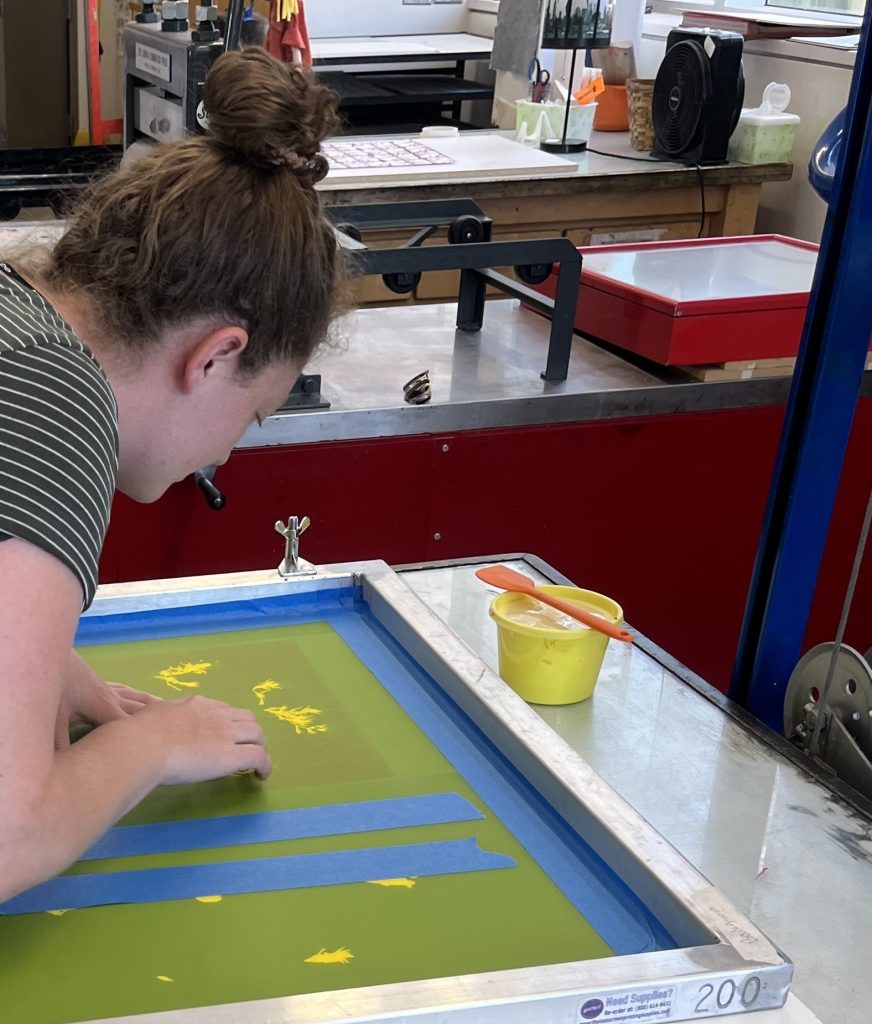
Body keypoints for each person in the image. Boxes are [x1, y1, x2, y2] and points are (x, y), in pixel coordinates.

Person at [0, 48, 344, 903]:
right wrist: (154, 746)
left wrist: (50, 672)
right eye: (252, 414)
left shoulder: (15, 309)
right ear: (217, 355)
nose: (224, 455)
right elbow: (6, 840)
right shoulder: (58, 403)